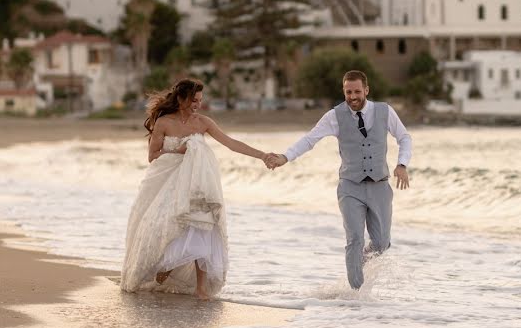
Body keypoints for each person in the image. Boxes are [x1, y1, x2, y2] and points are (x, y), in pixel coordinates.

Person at [121, 78, 271, 300]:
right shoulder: (163, 123)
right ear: (181, 98)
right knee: (168, 225)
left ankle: (201, 287)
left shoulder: (203, 122)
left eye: (200, 100)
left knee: (203, 225)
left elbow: (231, 143)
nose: (198, 105)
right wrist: (181, 151)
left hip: (197, 183)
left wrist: (262, 155)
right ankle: (166, 266)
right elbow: (152, 157)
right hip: (168, 182)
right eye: (194, 100)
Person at [266, 70, 412, 290]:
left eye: (356, 91)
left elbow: (404, 137)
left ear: (366, 90)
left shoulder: (385, 111)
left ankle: (360, 266)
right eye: (348, 92)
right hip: (350, 187)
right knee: (355, 240)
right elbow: (309, 139)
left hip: (380, 186)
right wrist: (285, 157)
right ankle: (356, 294)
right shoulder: (334, 116)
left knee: (381, 243)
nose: (352, 97)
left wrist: (402, 164)